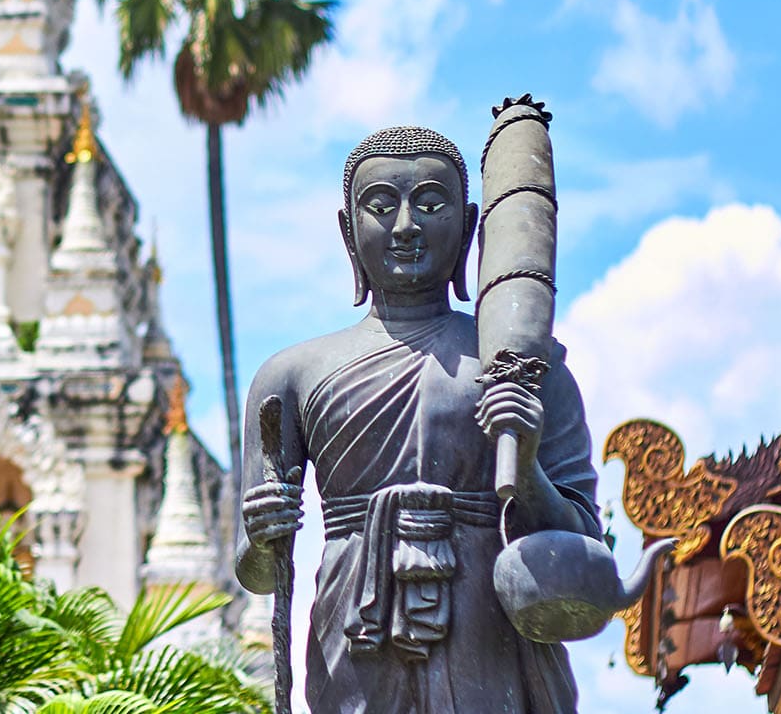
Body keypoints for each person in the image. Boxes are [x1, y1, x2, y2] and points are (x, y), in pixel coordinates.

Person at [238, 126, 600, 714]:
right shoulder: (289, 377)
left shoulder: (527, 367)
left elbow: (583, 548)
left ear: (470, 223)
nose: (406, 225)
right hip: (355, 640)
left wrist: (527, 469)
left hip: (494, 644)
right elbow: (255, 573)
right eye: (381, 206)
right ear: (347, 229)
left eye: (431, 204)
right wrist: (264, 533)